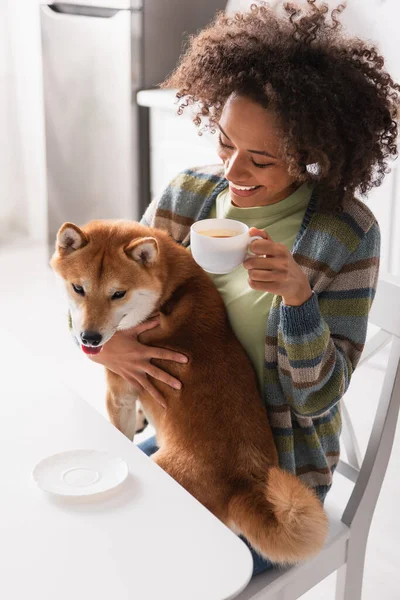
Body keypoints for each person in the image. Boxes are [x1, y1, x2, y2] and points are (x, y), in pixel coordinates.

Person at [88, 1, 399, 576]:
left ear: (312, 158)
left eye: (261, 159)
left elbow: (318, 398)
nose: (233, 171)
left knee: (146, 569)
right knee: (89, 530)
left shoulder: (346, 234)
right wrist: (104, 346)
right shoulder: (187, 196)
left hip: (272, 480)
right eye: (226, 143)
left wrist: (299, 300)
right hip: (180, 436)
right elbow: (100, 288)